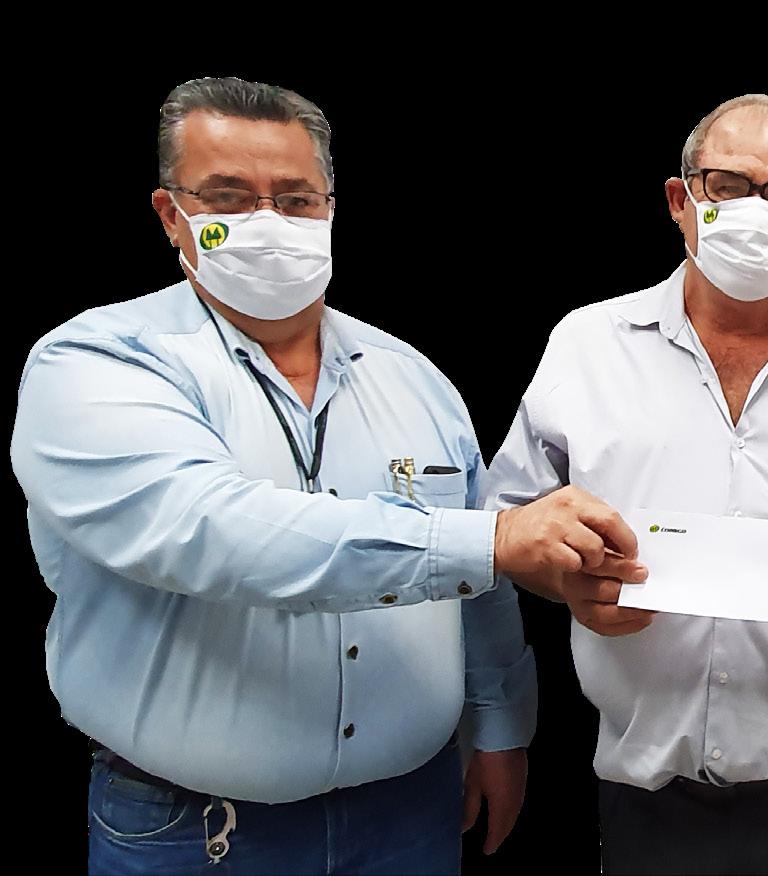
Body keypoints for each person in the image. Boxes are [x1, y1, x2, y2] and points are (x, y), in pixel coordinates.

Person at [10, 76, 644, 875]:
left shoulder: (413, 377)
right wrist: (491, 539)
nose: (268, 222)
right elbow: (212, 531)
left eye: (295, 199)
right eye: (228, 197)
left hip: (410, 814)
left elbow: (479, 585)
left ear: (330, 209)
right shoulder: (97, 364)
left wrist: (500, 725)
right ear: (172, 215)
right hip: (194, 831)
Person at [482, 94, 768, 875]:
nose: (755, 210)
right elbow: (505, 524)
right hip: (650, 796)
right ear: (679, 198)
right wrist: (567, 582)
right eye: (727, 184)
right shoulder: (587, 345)